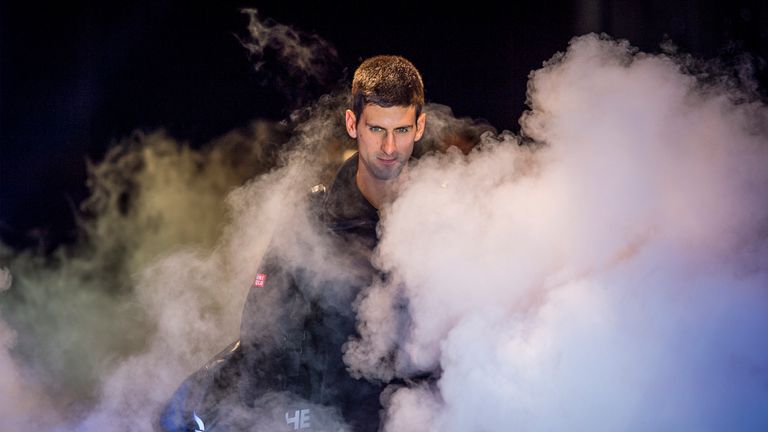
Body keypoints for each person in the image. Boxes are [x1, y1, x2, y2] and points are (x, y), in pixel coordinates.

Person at [157, 55, 426, 432]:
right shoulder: (310, 220)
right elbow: (262, 335)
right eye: (376, 129)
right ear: (353, 124)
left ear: (419, 126)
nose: (388, 146)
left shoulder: (445, 219)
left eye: (400, 130)